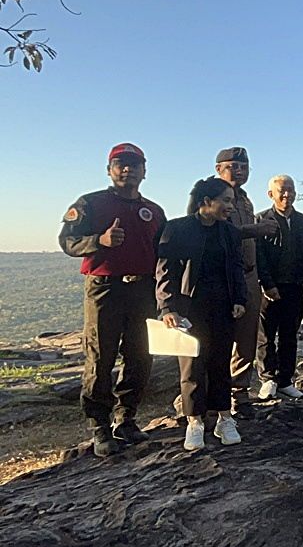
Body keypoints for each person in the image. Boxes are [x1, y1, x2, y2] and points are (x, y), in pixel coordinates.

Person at [59, 143, 166, 457]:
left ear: (144, 171)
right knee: (100, 356)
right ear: (109, 170)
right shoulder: (91, 203)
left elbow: (164, 253)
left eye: (134, 164)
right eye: (120, 164)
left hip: (144, 290)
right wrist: (100, 241)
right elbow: (67, 240)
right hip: (105, 288)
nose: (127, 169)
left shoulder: (154, 211)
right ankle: (100, 427)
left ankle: (126, 419)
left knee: (140, 356)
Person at [156, 178, 248, 451]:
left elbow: (237, 267)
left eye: (232, 201)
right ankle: (194, 421)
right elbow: (165, 270)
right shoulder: (177, 229)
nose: (231, 206)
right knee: (192, 366)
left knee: (220, 363)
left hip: (223, 307)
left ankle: (224, 417)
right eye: (226, 200)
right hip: (189, 309)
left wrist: (239, 299)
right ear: (206, 201)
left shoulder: (229, 232)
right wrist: (167, 307)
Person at [213, 147, 279, 416]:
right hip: (222, 276)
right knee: (218, 338)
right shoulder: (210, 195)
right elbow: (214, 232)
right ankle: (212, 397)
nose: (239, 170)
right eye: (233, 166)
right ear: (219, 169)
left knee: (247, 339)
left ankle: (239, 394)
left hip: (249, 276)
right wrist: (255, 229)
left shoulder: (246, 200)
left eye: (244, 166)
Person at [256, 174, 303, 400]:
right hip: (269, 289)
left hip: (294, 286)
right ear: (271, 194)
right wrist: (267, 284)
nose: (287, 194)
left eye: (291, 190)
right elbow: (258, 256)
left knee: (289, 336)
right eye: (282, 190)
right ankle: (267, 379)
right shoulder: (261, 220)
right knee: (265, 336)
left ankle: (285, 380)